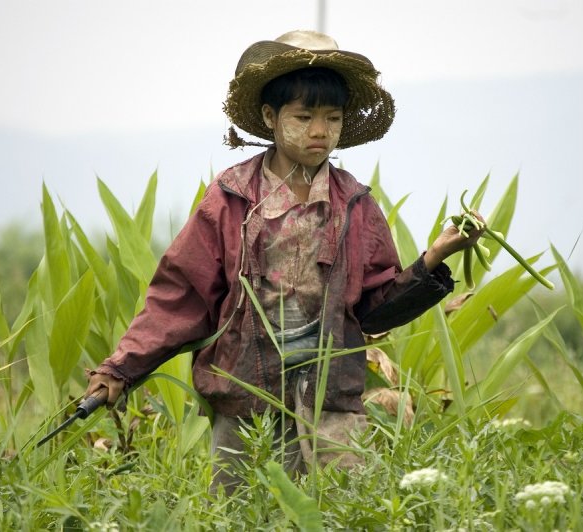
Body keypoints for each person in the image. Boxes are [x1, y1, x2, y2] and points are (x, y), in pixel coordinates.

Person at [85, 29, 484, 493]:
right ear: (271, 117)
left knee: (335, 516)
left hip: (330, 409)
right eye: (304, 116)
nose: (320, 131)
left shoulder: (354, 204)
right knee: (239, 516)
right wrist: (121, 368)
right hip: (245, 405)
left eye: (332, 118)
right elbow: (181, 297)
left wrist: (434, 258)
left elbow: (377, 308)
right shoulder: (232, 198)